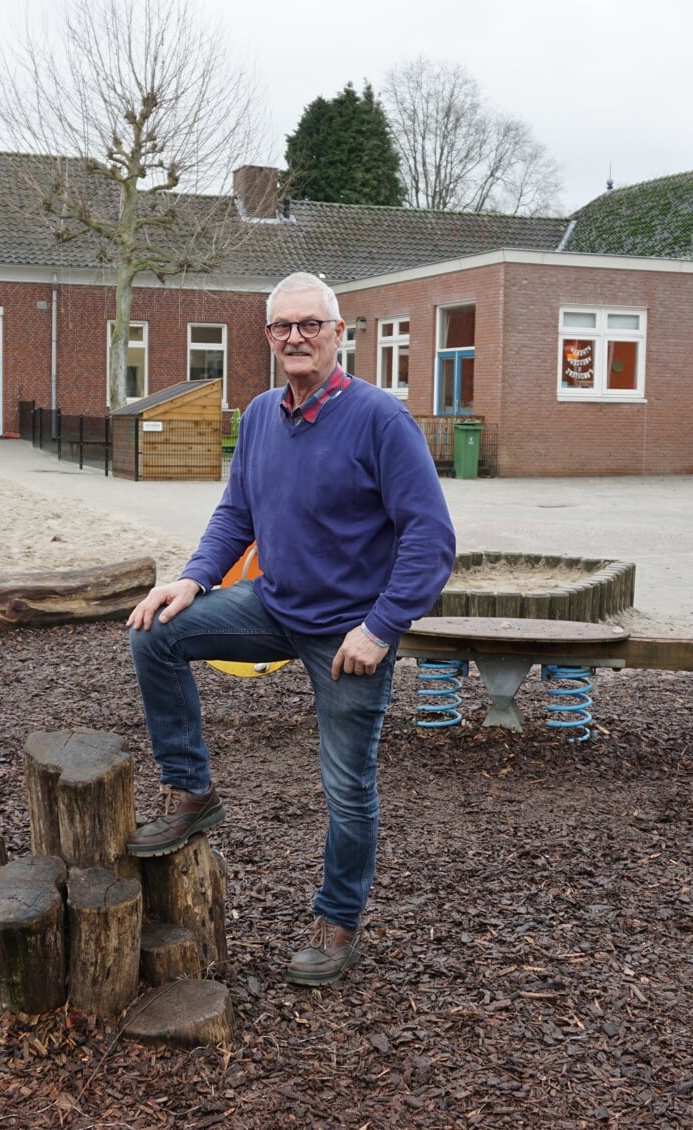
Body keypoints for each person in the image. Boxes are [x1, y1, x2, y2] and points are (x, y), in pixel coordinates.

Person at [125, 271, 456, 986]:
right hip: (274, 605)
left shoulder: (379, 419)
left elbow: (430, 539)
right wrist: (191, 579)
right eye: (283, 326)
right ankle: (192, 793)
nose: (297, 337)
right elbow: (235, 515)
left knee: (346, 786)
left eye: (312, 324)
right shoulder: (260, 415)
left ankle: (337, 926)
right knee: (156, 633)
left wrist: (381, 629)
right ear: (268, 336)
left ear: (339, 333)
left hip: (350, 634)